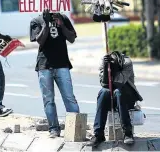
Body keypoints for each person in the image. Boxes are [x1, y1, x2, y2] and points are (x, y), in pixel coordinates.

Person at [30, 9, 80, 138]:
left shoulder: (63, 18)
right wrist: (46, 24)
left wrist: (62, 25)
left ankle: (76, 128)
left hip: (62, 64)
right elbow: (40, 41)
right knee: (48, 100)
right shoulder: (36, 20)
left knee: (69, 98)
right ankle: (54, 129)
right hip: (44, 66)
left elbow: (72, 38)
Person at [87, 51, 144, 147]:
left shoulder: (127, 63)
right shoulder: (104, 61)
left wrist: (114, 68)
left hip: (126, 97)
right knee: (103, 92)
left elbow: (119, 83)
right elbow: (105, 84)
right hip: (111, 96)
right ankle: (98, 134)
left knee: (118, 92)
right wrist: (106, 68)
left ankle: (128, 132)